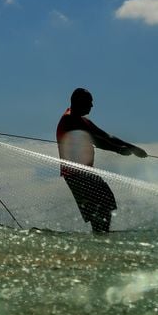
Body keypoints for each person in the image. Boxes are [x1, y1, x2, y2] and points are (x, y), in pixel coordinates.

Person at [57, 88, 147, 233]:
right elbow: (97, 141)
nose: (92, 106)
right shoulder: (70, 119)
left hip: (85, 173)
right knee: (100, 206)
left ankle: (101, 235)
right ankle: (100, 236)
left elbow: (106, 136)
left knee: (105, 203)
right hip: (76, 175)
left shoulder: (82, 121)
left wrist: (132, 148)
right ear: (79, 102)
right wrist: (118, 150)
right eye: (89, 102)